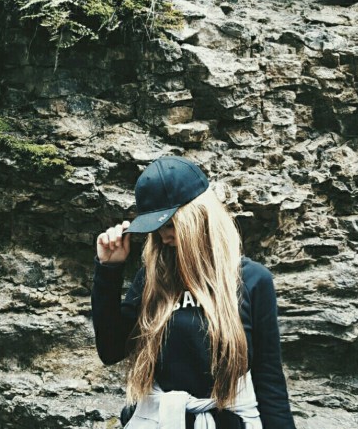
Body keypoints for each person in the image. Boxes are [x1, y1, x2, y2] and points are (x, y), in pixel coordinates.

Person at [92, 156, 296, 429]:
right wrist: (109, 270)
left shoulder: (252, 280)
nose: (163, 235)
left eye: (170, 224)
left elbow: (269, 380)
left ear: (199, 216)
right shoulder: (152, 279)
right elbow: (111, 350)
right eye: (157, 228)